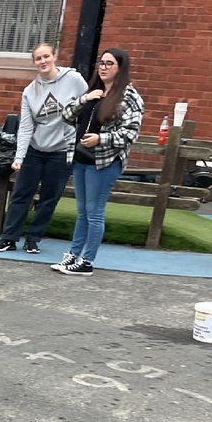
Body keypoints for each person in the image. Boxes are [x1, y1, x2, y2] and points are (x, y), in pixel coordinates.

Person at [52, 47, 144, 276]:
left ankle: (87, 261)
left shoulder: (130, 97)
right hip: (82, 158)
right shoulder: (95, 91)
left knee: (94, 212)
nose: (103, 68)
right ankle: (74, 255)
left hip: (104, 162)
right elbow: (66, 115)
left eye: (109, 64)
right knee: (82, 212)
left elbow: (130, 134)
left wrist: (100, 139)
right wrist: (85, 98)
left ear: (120, 68)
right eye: (101, 63)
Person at [0, 42, 88, 255]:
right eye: (38, 58)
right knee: (21, 194)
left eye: (46, 56)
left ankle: (33, 239)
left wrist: (77, 138)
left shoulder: (74, 80)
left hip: (61, 151)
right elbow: (25, 126)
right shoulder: (30, 91)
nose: (42, 61)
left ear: (54, 57)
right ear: (34, 63)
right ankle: (9, 238)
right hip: (35, 150)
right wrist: (20, 156)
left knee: (49, 197)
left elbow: (86, 106)